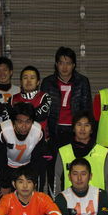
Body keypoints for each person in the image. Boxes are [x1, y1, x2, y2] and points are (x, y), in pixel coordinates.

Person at [41, 47, 92, 195]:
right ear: (56, 64)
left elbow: (86, 110)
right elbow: (43, 111)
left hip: (74, 133)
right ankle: (54, 200)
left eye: (68, 63)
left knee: (73, 170)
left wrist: (86, 133)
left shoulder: (82, 82)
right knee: (53, 170)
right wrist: (45, 134)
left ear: (74, 65)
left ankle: (74, 199)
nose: (65, 67)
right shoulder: (48, 82)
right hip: (54, 133)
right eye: (61, 63)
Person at [0, 102, 48, 196]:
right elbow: (0, 160)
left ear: (32, 121)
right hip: (7, 167)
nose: (24, 126)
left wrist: (33, 181)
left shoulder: (38, 132)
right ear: (13, 121)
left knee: (32, 198)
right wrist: (4, 184)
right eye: (20, 122)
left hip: (29, 166)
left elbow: (37, 161)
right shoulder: (3, 131)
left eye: (28, 122)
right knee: (5, 199)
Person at [53, 111, 108, 196]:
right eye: (79, 124)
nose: (82, 129)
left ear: (91, 129)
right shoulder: (63, 152)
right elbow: (56, 182)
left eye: (86, 125)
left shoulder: (103, 153)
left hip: (97, 202)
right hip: (69, 202)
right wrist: (58, 202)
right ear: (73, 128)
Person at [11, 65, 52, 139]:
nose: (29, 81)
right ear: (21, 82)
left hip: (40, 141)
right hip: (17, 142)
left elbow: (40, 116)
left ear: (38, 82)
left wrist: (19, 117)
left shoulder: (45, 97)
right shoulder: (12, 99)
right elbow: (9, 121)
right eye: (25, 78)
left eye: (32, 78)